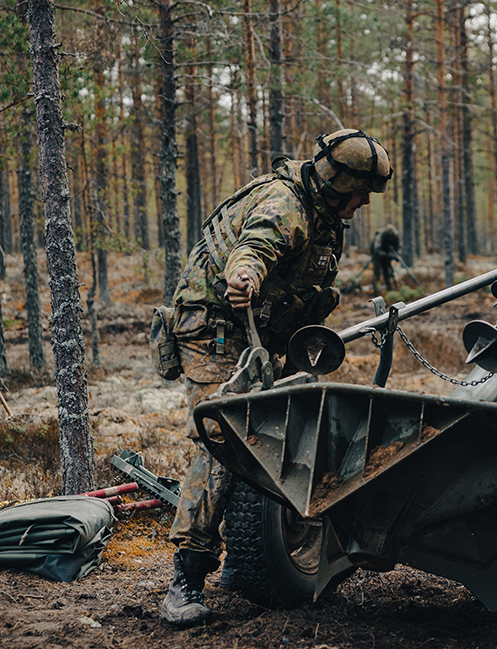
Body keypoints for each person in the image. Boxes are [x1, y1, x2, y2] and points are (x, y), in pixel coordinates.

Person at [160, 128, 393, 627]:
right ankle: (185, 580)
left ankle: (246, 562)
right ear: (336, 183)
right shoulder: (286, 205)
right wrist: (243, 276)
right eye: (358, 193)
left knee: (276, 435)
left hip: (261, 333)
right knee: (223, 440)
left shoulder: (323, 215)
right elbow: (255, 248)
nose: (361, 205)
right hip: (214, 331)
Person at [370, 224, 400, 293]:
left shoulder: (396, 236)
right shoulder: (380, 235)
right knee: (377, 272)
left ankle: (390, 290)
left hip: (387, 254)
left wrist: (396, 256)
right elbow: (377, 249)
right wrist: (387, 255)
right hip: (377, 255)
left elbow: (397, 248)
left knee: (388, 272)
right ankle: (376, 290)